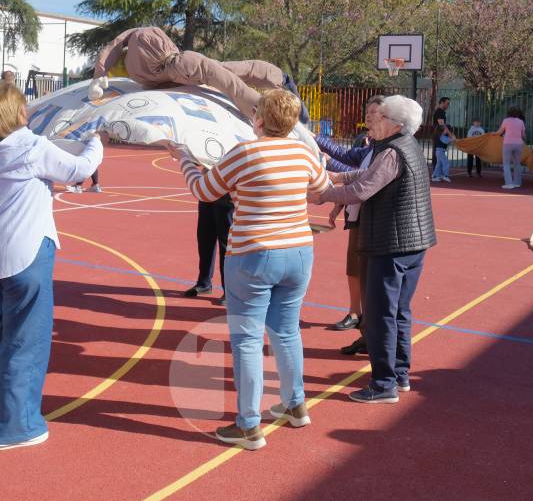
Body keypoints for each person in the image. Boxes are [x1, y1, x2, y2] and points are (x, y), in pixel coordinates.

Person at [167, 89, 330, 450]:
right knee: (287, 331)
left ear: (259, 119)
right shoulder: (302, 151)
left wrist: (184, 158)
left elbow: (204, 190)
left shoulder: (245, 152)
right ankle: (295, 403)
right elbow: (322, 188)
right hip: (299, 250)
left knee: (248, 339)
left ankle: (248, 424)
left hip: (254, 252)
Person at [0, 82, 104, 450]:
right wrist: (96, 140)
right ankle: (16, 425)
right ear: (16, 114)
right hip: (23, 252)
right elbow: (79, 168)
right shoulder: (31, 147)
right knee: (26, 339)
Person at [310, 95, 436, 404]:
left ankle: (383, 384)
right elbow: (366, 174)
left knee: (380, 313)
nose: (373, 122)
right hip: (412, 242)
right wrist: (335, 177)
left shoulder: (393, 151)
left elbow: (363, 189)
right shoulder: (403, 147)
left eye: (380, 117)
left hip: (392, 243)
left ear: (395, 124)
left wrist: (324, 194)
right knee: (399, 311)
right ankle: (400, 374)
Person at [88, 25, 305, 122]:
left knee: (229, 79)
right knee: (230, 71)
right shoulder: (134, 41)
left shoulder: (139, 36)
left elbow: (113, 45)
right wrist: (99, 74)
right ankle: (279, 79)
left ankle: (269, 106)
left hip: (180, 64)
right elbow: (114, 46)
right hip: (173, 73)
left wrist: (99, 75)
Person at [317, 95, 384, 334]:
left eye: (374, 111)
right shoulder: (370, 145)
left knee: (368, 274)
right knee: (354, 268)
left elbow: (361, 175)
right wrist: (316, 139)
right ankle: (357, 315)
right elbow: (347, 158)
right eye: (367, 110)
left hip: (372, 219)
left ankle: (368, 326)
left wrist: (330, 186)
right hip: (358, 214)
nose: (368, 115)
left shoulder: (386, 149)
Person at [184, 193, 234, 304]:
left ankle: (229, 291)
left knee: (226, 245)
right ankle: (204, 283)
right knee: (204, 239)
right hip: (207, 195)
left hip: (226, 198)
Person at [497, 107, 526, 190]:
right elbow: (523, 135)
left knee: (506, 164)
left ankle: (509, 183)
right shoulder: (521, 122)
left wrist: (493, 133)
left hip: (507, 143)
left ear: (508, 112)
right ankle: (517, 182)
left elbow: (500, 132)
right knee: (517, 163)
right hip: (518, 144)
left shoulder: (506, 120)